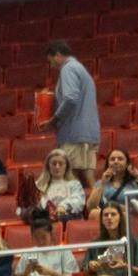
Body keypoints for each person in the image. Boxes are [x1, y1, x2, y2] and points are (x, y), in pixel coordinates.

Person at [43, 40, 101, 187]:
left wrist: (53, 120)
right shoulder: (80, 69)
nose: (52, 66)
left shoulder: (68, 68)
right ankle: (100, 208)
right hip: (86, 133)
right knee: (88, 180)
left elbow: (70, 98)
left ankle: (89, 209)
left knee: (70, 179)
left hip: (74, 134)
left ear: (57, 55)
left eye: (51, 62)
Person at [9, 211, 78, 276]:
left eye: (43, 237)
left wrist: (50, 273)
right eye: (36, 238)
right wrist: (26, 273)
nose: (40, 241)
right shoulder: (28, 253)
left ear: (51, 235)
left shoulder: (63, 251)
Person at [80, 203, 138, 276]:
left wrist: (125, 265)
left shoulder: (133, 241)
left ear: (120, 217)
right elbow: (85, 270)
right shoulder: (95, 243)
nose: (109, 217)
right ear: (102, 220)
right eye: (106, 215)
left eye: (113, 214)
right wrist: (91, 266)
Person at [86, 148, 138, 220]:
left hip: (128, 218)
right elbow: (90, 207)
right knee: (94, 213)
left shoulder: (136, 183)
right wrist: (103, 183)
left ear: (127, 164)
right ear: (108, 164)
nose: (116, 161)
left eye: (120, 159)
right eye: (112, 159)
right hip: (105, 217)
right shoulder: (100, 183)